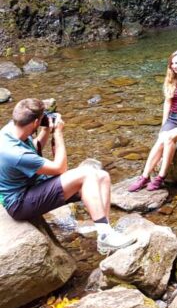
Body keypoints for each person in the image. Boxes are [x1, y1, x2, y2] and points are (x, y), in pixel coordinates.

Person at [0, 98, 135, 254]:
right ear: (36, 121)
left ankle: (105, 232)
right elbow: (60, 168)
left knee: (102, 176)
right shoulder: (14, 153)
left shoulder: (13, 129)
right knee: (87, 173)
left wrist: (45, 130)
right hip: (20, 203)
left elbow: (33, 148)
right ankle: (105, 235)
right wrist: (57, 134)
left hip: (32, 187)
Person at [128, 50, 177, 192]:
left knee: (169, 138)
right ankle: (144, 177)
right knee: (161, 139)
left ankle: (160, 178)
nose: (174, 66)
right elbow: (168, 102)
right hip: (172, 118)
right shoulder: (171, 78)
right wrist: (164, 124)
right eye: (172, 63)